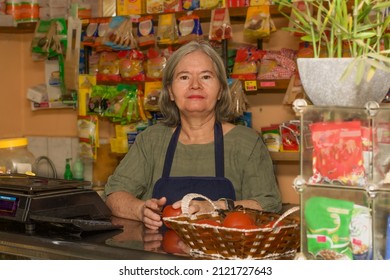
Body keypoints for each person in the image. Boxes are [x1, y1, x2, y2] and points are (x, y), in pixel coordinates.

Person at [105, 40, 282, 230]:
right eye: (184, 77)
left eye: (206, 77)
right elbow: (114, 194)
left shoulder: (246, 143)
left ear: (221, 89)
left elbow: (268, 204)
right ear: (170, 91)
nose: (195, 85)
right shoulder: (151, 140)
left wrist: (215, 207)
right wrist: (139, 209)